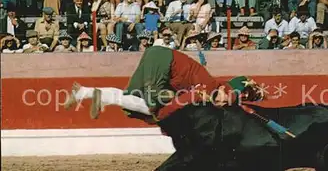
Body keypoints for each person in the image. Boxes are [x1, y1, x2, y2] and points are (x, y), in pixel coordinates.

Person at [64, 48, 264, 124]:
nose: (221, 102)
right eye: (224, 97)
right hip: (164, 61)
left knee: (135, 99)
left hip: (159, 58)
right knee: (152, 105)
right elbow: (179, 103)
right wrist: (161, 116)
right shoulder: (207, 89)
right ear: (222, 88)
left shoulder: (209, 88)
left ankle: (87, 93)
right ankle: (92, 94)